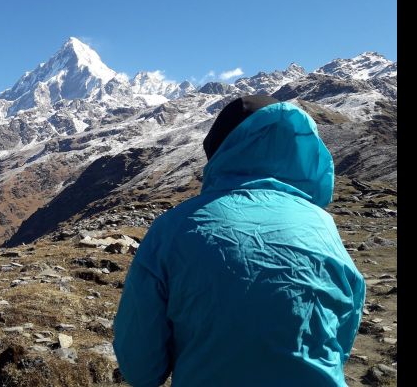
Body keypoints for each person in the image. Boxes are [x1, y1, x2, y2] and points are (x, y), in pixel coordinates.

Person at [112, 95, 365, 386]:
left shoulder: (173, 228)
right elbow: (342, 330)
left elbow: (140, 368)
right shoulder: (323, 227)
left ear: (220, 151)